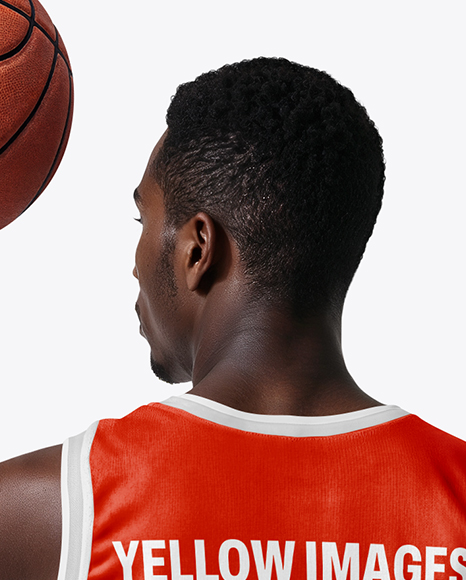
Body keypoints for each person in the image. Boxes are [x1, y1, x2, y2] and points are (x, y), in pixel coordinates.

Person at [1, 57, 465, 580]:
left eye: (142, 218)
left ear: (199, 249)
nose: (134, 263)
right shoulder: (457, 499)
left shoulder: (46, 514)